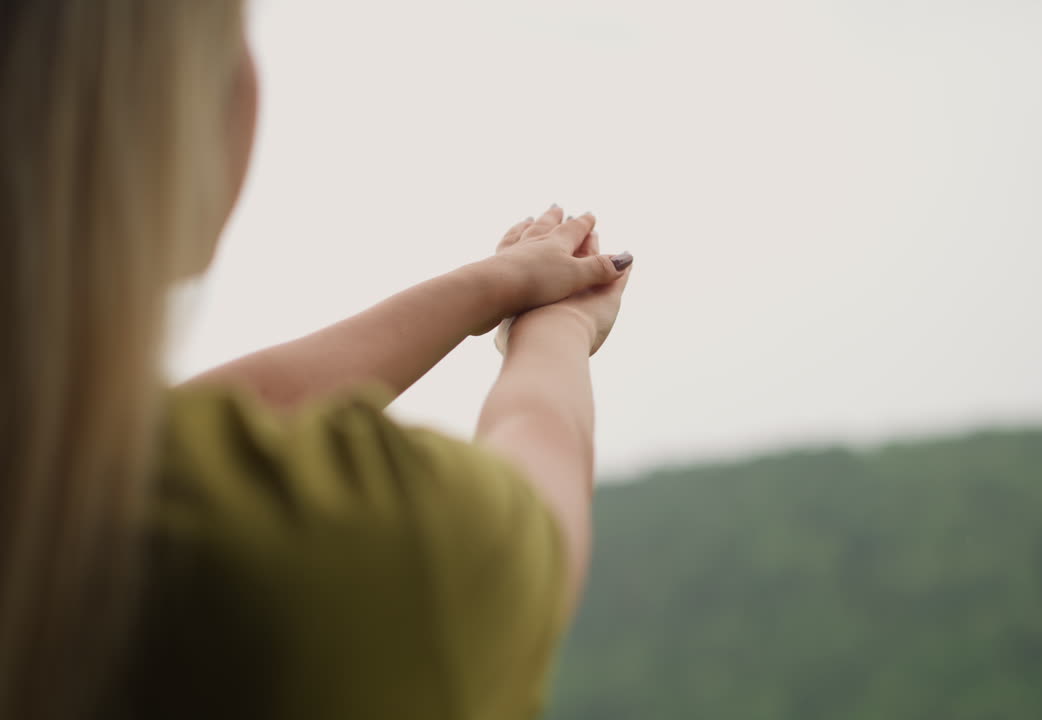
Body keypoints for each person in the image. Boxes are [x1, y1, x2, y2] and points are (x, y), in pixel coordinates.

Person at [0, 3, 633, 719]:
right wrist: (558, 328)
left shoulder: (49, 478)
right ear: (224, 114)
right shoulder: (304, 551)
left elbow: (180, 427)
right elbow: (533, 517)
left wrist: (488, 285)